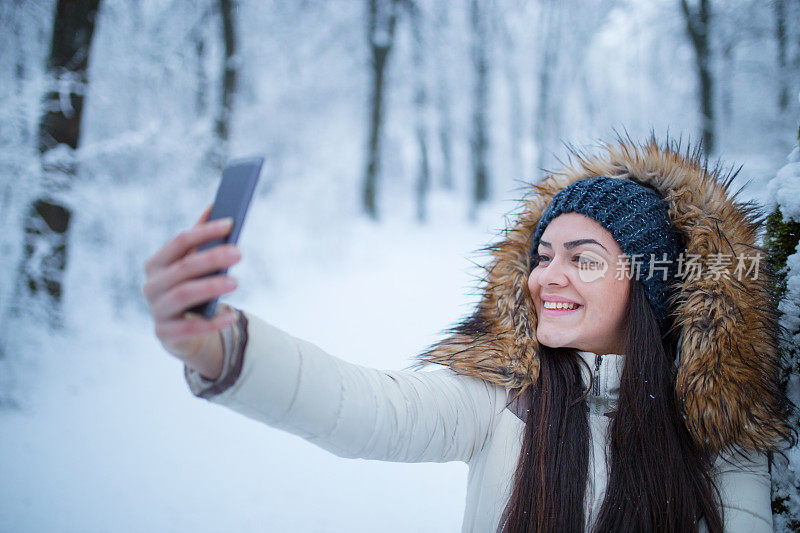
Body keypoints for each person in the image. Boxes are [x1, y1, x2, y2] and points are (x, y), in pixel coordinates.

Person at [142, 137, 797, 532]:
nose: (549, 277)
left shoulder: (719, 439)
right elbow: (366, 408)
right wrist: (225, 348)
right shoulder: (504, 397)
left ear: (650, 288)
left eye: (584, 258)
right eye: (543, 255)